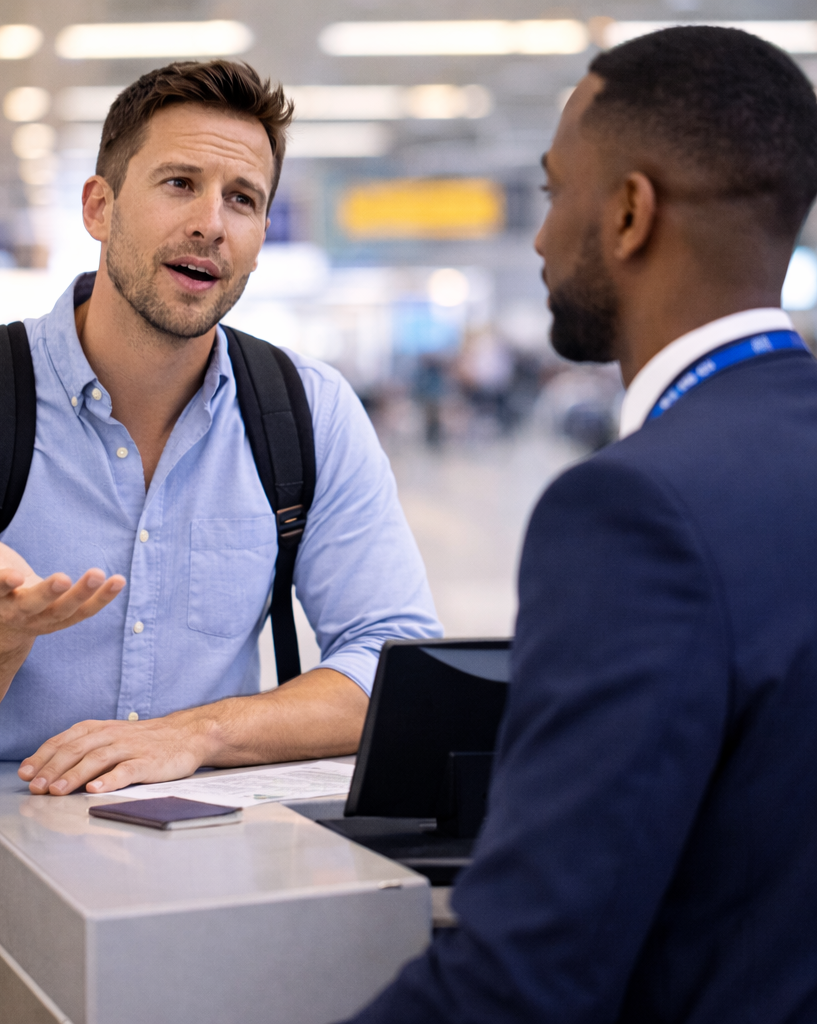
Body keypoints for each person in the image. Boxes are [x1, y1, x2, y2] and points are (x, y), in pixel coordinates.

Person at [346, 26, 817, 1023]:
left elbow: (526, 978)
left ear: (630, 212)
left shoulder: (638, 511)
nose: (538, 237)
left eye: (555, 192)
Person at [0, 60, 440, 794]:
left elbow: (397, 666)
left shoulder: (308, 411)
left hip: (211, 838)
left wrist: (199, 733)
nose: (211, 224)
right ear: (100, 207)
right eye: (180, 183)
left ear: (261, 236)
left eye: (243, 199)